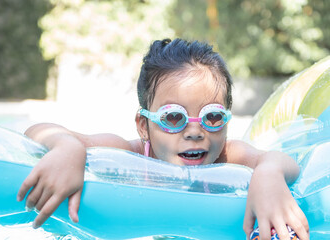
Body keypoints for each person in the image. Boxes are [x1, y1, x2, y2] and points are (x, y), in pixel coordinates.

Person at [17, 38, 309, 240]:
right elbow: (38, 131)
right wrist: (68, 147)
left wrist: (268, 174)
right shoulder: (130, 154)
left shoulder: (228, 156)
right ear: (144, 126)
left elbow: (281, 161)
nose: (195, 132)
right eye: (173, 117)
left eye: (212, 117)